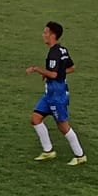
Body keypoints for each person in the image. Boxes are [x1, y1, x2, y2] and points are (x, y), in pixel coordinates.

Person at [26, 21, 86, 166]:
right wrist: (57, 73)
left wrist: (37, 69)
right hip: (50, 95)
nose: (43, 35)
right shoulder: (62, 50)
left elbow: (53, 74)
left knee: (63, 126)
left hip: (57, 95)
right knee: (35, 119)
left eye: (46, 32)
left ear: (53, 35)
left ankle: (80, 155)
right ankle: (48, 151)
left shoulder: (54, 53)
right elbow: (71, 68)